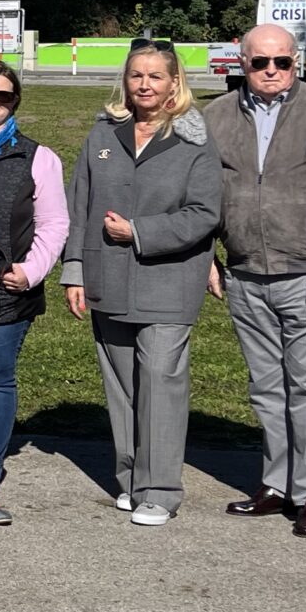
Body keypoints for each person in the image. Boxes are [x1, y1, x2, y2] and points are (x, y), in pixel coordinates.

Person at [60, 42, 223, 526]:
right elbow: (80, 206)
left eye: (155, 76)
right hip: (108, 276)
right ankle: (131, 479)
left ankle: (161, 490)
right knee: (122, 388)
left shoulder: (196, 141)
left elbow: (205, 213)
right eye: (136, 75)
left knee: (160, 384)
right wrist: (74, 271)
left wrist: (140, 232)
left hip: (169, 282)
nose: (145, 84)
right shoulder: (102, 134)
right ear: (125, 81)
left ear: (175, 83)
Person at [205, 23, 306, 535]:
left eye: (282, 62)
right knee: (266, 387)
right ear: (243, 64)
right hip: (243, 273)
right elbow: (202, 192)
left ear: (296, 62)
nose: (272, 72)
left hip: (304, 271)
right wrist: (208, 258)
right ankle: (276, 483)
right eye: (261, 63)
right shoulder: (214, 117)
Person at [0, 60, 65, 528]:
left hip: (7, 290)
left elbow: (54, 224)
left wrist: (31, 271)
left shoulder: (38, 157)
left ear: (14, 101)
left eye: (2, 95)